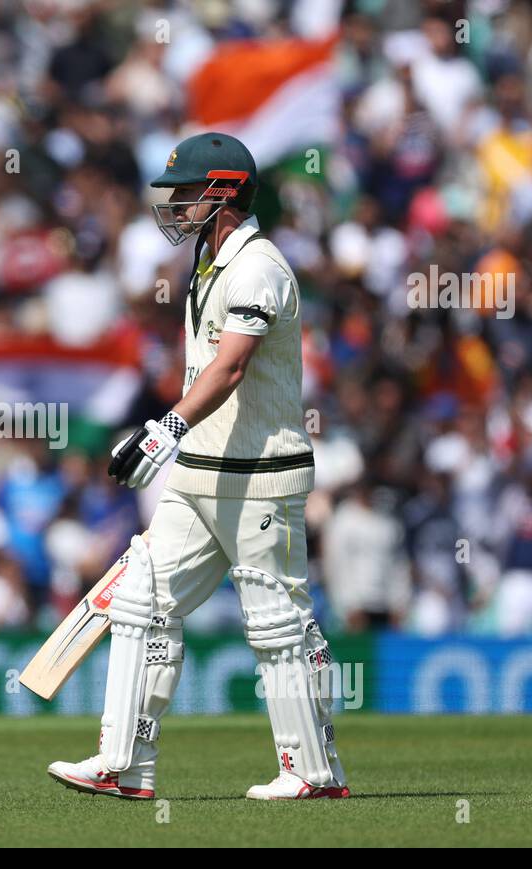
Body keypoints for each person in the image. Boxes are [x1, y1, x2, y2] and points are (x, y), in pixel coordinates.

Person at [46, 133, 349, 801]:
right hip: (199, 473)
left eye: (186, 193)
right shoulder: (208, 262)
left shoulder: (259, 265)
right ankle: (124, 763)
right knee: (141, 602)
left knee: (275, 622)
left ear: (223, 195)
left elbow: (233, 364)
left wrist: (166, 428)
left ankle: (312, 773)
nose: (175, 205)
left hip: (260, 473)